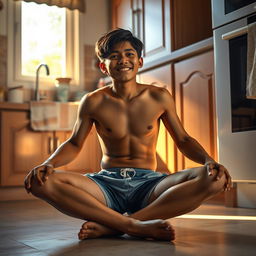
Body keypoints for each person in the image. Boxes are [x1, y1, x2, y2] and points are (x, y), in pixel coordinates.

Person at [24, 28, 232, 241]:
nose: (123, 60)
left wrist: (208, 160)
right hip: (106, 184)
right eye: (114, 56)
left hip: (150, 185)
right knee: (39, 181)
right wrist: (49, 163)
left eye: (129, 54)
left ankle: (117, 227)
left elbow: (183, 139)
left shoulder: (158, 96)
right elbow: (75, 143)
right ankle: (134, 226)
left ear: (140, 61)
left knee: (216, 179)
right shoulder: (93, 101)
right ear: (103, 66)